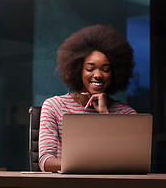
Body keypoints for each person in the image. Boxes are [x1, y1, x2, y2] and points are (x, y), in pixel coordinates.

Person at [38, 24, 137, 172]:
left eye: (105, 69)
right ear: (77, 70)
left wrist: (105, 115)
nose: (98, 75)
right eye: (90, 69)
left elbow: (130, 162)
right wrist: (90, 164)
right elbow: (46, 161)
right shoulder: (54, 106)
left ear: (115, 73)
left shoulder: (126, 114)